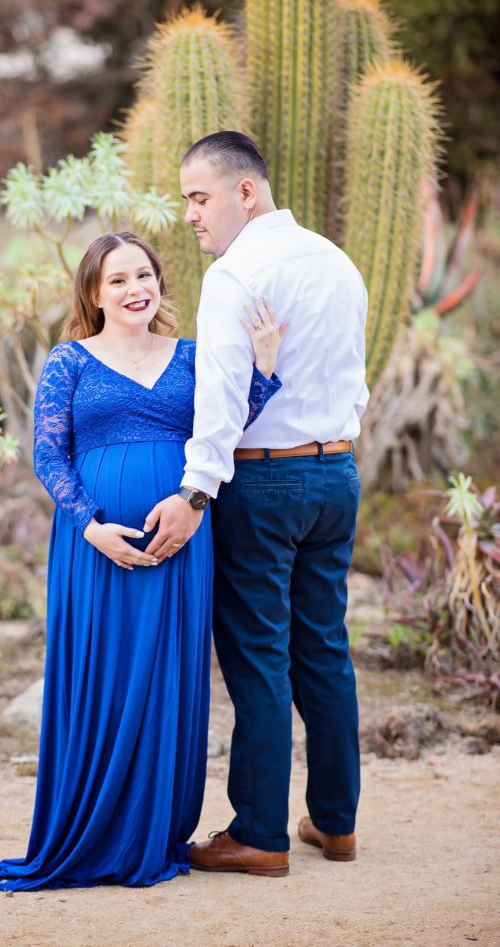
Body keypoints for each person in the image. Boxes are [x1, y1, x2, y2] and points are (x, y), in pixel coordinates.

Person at [0, 231, 284, 891]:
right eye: (117, 279)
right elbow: (47, 454)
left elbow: (227, 428)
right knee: (102, 676)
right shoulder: (69, 360)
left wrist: (262, 368)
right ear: (93, 292)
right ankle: (89, 830)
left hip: (182, 542)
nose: (135, 288)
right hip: (93, 548)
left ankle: (150, 830)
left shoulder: (193, 357)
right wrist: (91, 526)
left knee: (165, 677)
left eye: (143, 274)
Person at [144, 131, 369, 877]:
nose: (190, 214)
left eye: (199, 197)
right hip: (336, 474)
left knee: (258, 658)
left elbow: (219, 403)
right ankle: (335, 823)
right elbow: (355, 381)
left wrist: (194, 491)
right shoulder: (337, 263)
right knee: (324, 650)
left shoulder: (235, 275)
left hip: (264, 483)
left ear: (246, 192)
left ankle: (260, 834)